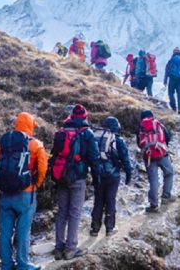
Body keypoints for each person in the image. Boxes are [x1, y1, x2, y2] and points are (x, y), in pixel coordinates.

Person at [0, 112, 47, 270]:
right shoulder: (36, 144)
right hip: (26, 193)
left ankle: (6, 264)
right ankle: (23, 264)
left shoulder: (4, 144)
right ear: (31, 125)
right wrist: (35, 185)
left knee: (4, 232)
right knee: (23, 231)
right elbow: (43, 169)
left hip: (5, 194)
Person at [50, 104, 100, 260]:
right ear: (85, 117)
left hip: (61, 176)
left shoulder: (61, 132)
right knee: (75, 213)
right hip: (77, 177)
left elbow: (54, 154)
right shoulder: (87, 134)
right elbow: (94, 158)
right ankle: (71, 249)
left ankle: (59, 248)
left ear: (71, 116)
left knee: (62, 212)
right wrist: (97, 178)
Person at [90, 117, 132, 237]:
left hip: (98, 174)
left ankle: (94, 229)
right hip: (113, 175)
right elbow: (125, 160)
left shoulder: (96, 138)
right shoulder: (118, 140)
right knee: (110, 200)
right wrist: (128, 175)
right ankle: (110, 228)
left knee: (98, 201)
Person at [137, 110, 175, 213]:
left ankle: (154, 205)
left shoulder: (141, 128)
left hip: (149, 157)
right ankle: (166, 197)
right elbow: (168, 137)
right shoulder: (158, 124)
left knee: (153, 180)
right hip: (162, 154)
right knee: (169, 173)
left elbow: (139, 144)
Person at [163, 47, 180, 114]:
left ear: (173, 53)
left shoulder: (171, 60)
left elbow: (167, 70)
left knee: (171, 93)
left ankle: (173, 107)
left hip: (172, 79)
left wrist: (165, 80)